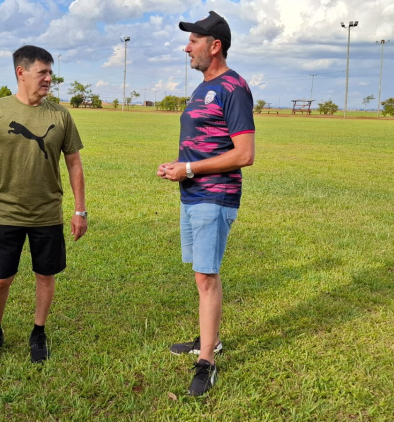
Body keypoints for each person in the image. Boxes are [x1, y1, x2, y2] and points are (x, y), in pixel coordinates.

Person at [0, 45, 88, 365]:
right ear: (21, 73)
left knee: (45, 275)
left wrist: (80, 210)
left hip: (47, 213)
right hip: (5, 212)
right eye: (43, 72)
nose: (49, 78)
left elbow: (75, 164)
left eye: (50, 72)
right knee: (1, 278)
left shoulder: (60, 114)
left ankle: (39, 331)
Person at [157, 11, 256, 396]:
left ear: (215, 46)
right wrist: (178, 167)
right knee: (200, 275)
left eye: (194, 41)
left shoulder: (233, 87)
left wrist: (190, 168)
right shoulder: (203, 88)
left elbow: (245, 153)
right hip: (195, 193)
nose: (187, 47)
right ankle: (206, 339)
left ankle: (207, 360)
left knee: (207, 276)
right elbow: (204, 143)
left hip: (215, 197)